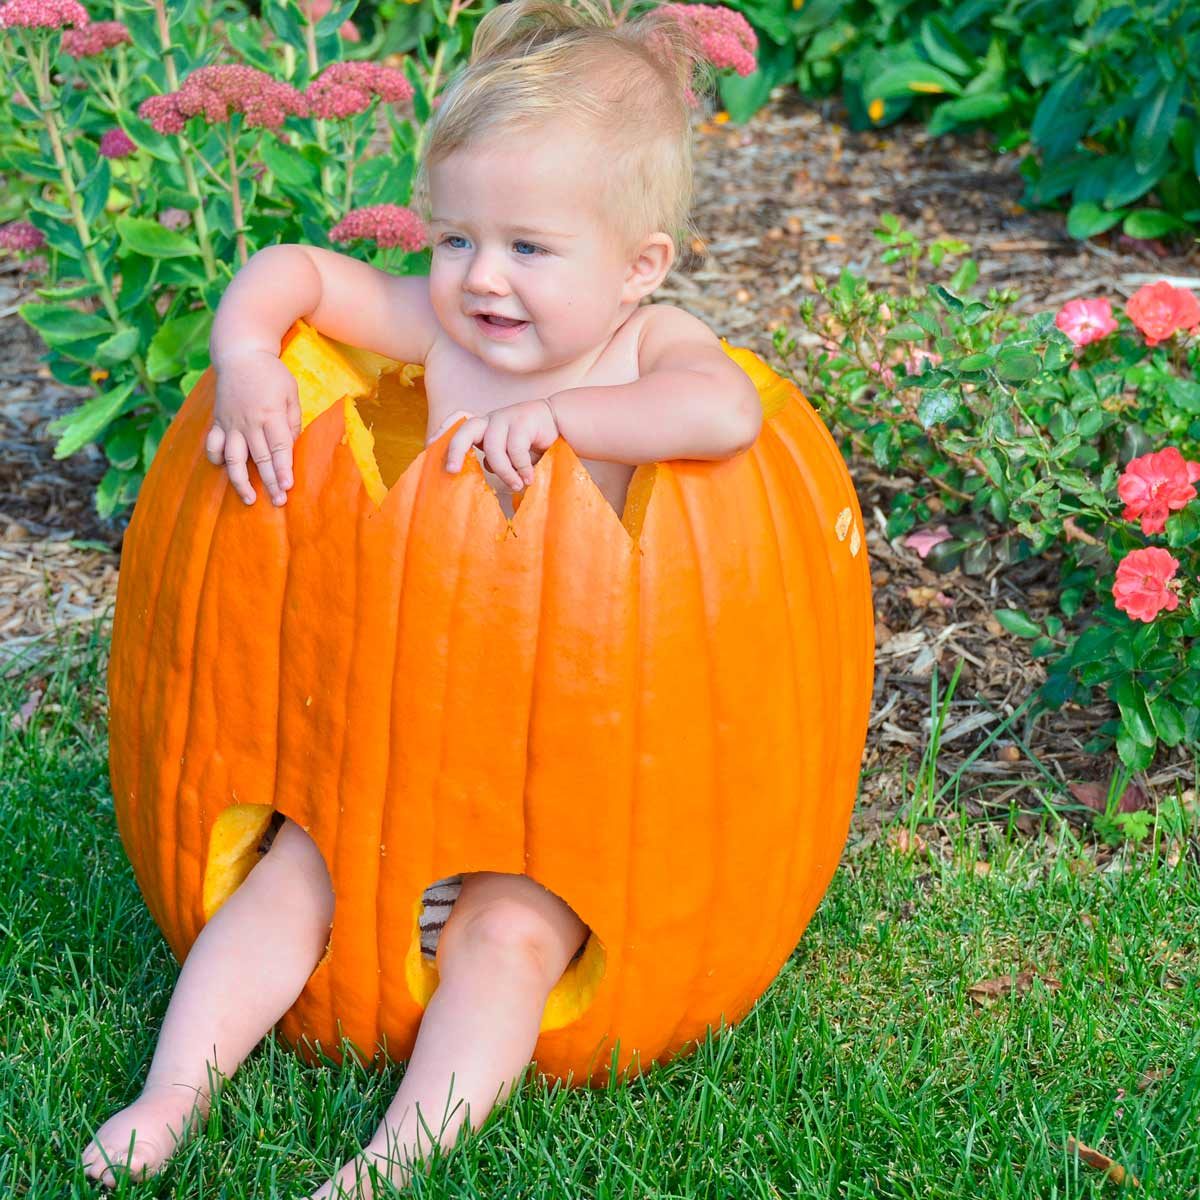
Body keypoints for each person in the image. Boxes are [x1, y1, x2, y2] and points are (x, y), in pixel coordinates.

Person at [81, 1, 761, 1195]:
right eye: (455, 239)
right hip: (387, 757)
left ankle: (395, 1158)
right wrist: (245, 355)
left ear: (637, 266)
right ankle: (170, 1093)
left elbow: (728, 415)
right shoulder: (439, 334)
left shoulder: (645, 351)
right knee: (287, 883)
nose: (479, 279)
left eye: (529, 249)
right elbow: (291, 273)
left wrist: (563, 416)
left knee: (508, 939)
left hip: (556, 800)